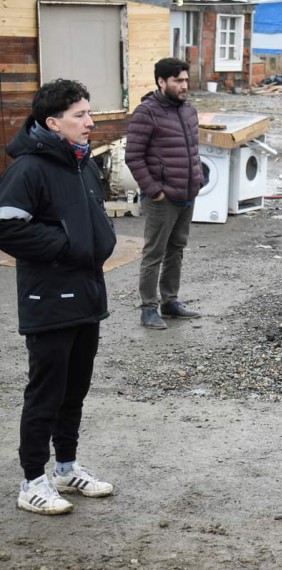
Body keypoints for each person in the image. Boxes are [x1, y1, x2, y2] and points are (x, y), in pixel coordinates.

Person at [0, 79, 117, 515]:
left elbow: (91, 220)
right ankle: (32, 480)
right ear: (53, 122)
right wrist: (66, 245)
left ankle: (66, 468)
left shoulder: (81, 163)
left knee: (75, 389)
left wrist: (92, 241)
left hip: (87, 295)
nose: (90, 121)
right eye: (80, 115)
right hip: (48, 300)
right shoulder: (29, 169)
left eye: (89, 112)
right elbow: (7, 226)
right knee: (45, 394)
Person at [125, 57, 203, 330]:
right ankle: (149, 309)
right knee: (154, 253)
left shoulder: (189, 111)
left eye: (186, 80)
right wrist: (154, 191)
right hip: (163, 198)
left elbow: (192, 151)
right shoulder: (147, 112)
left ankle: (170, 301)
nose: (185, 86)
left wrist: (198, 180)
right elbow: (133, 156)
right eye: (178, 81)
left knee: (176, 249)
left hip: (187, 194)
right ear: (161, 82)